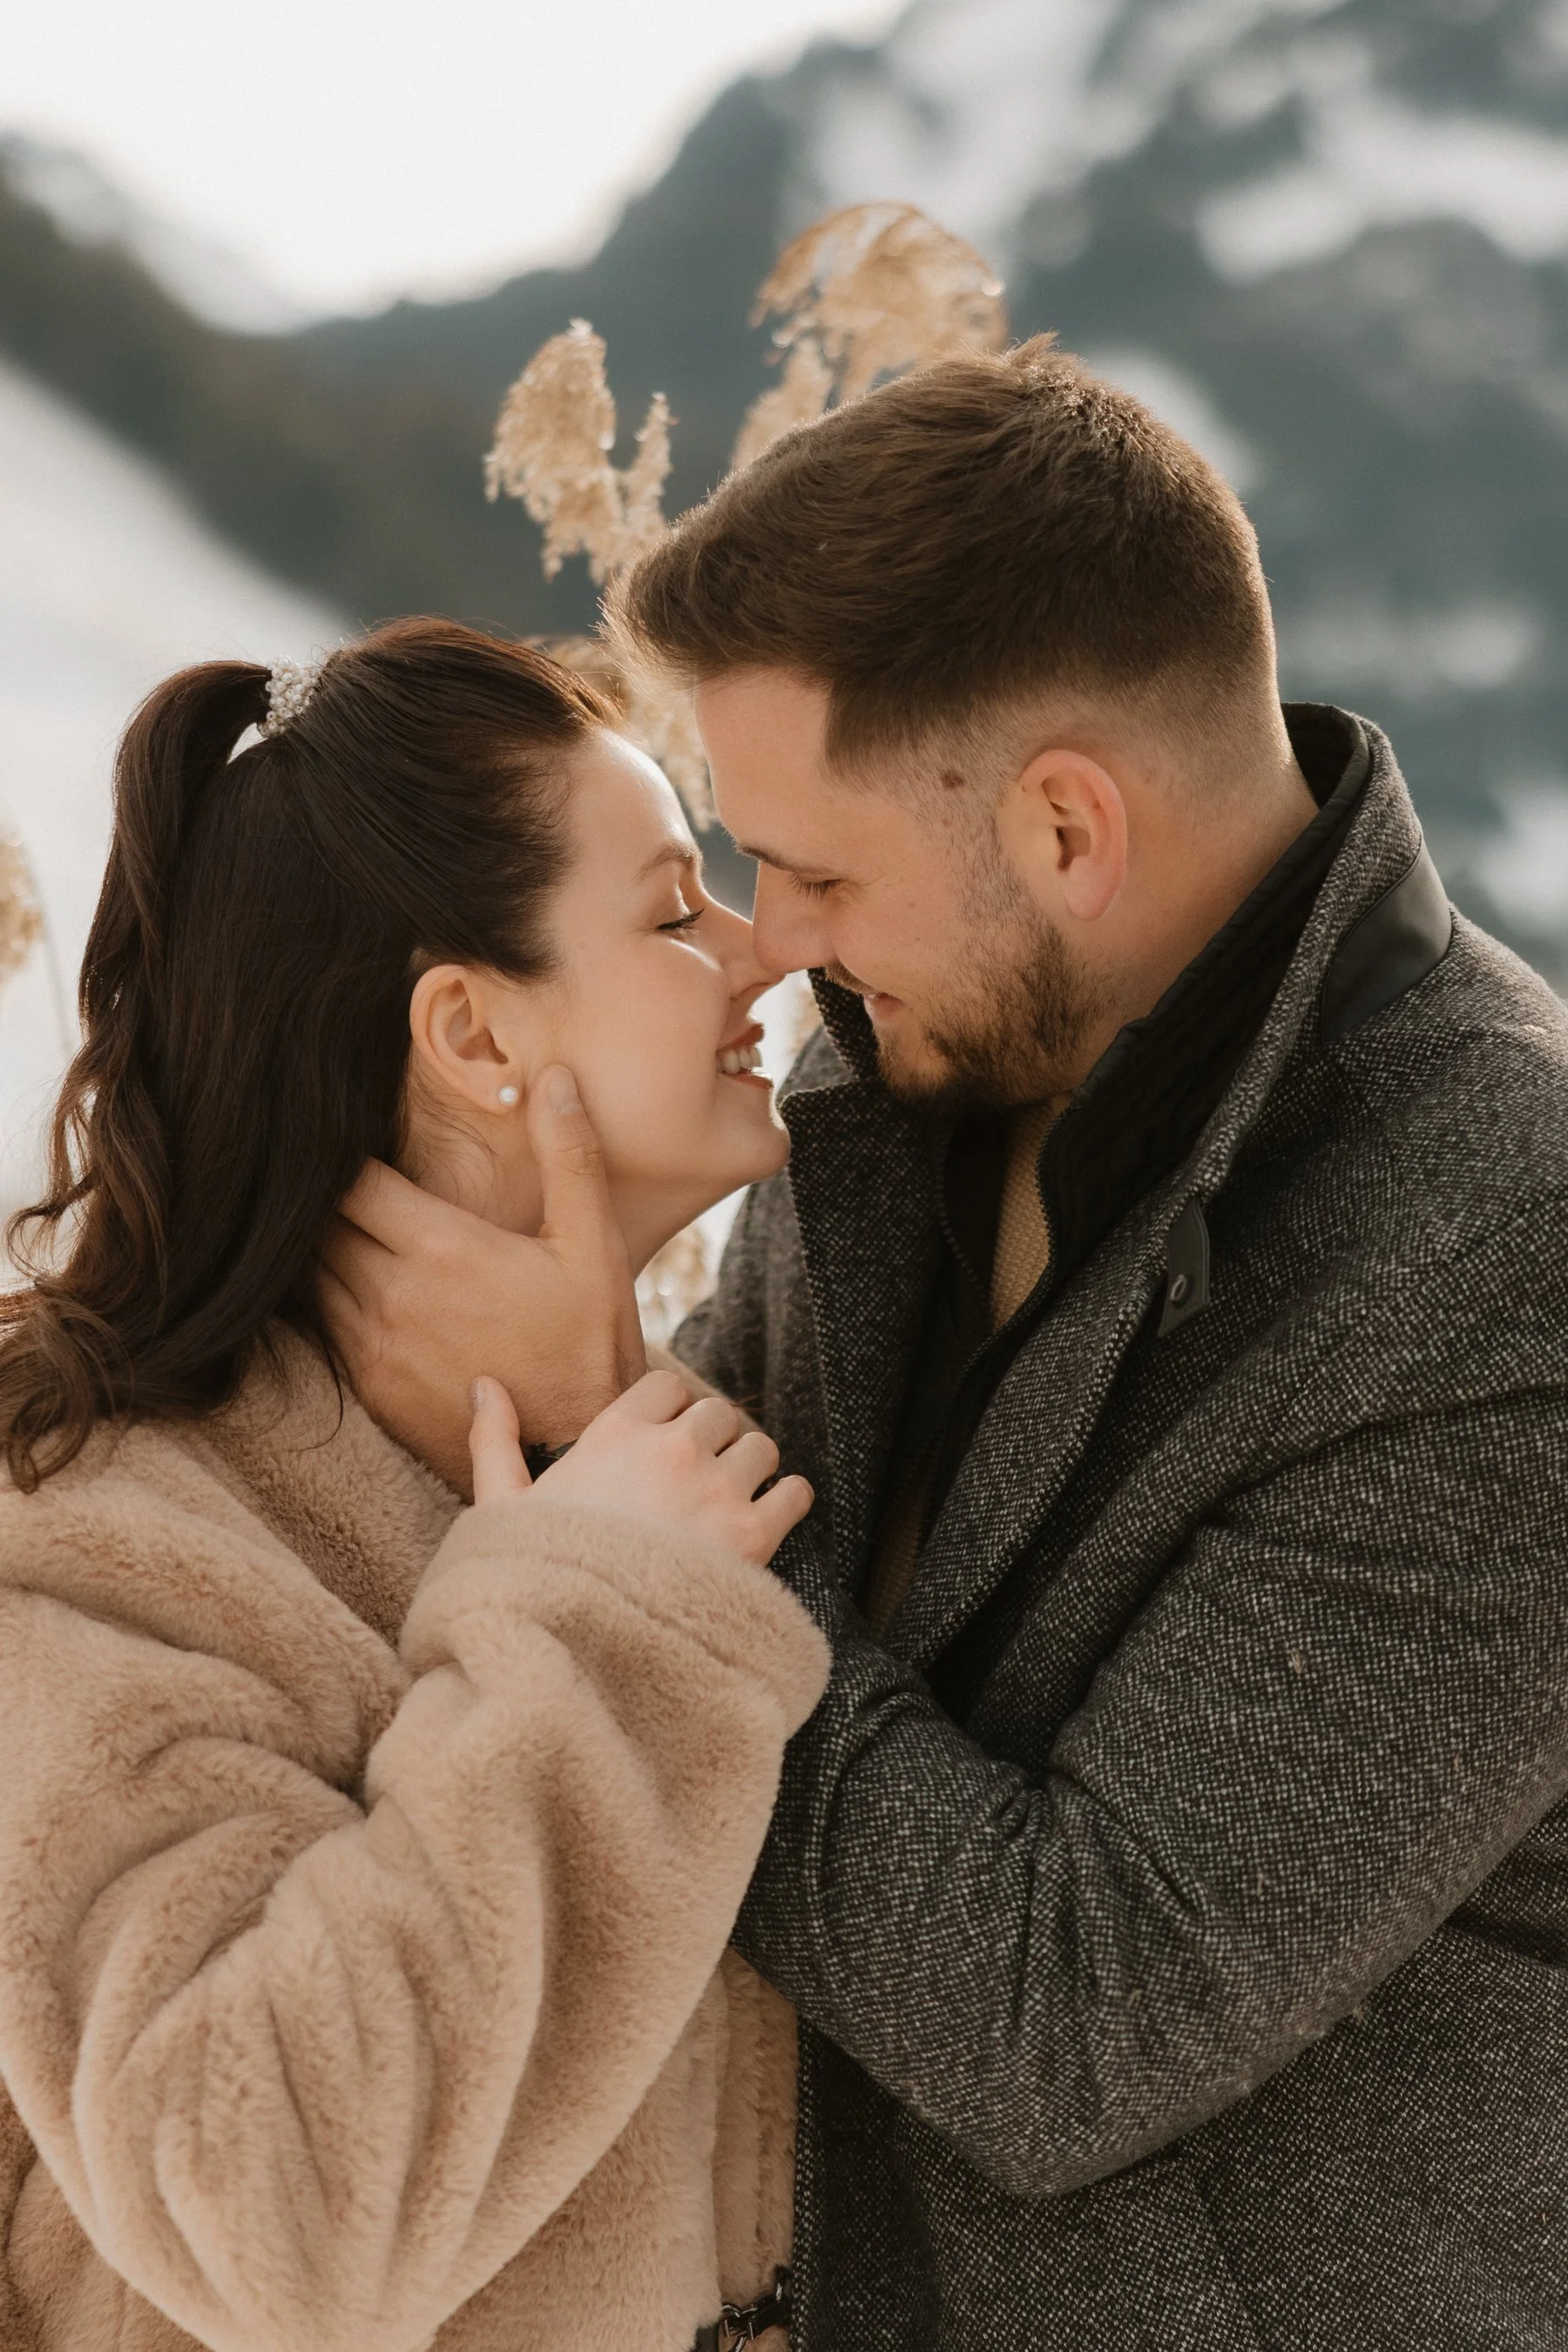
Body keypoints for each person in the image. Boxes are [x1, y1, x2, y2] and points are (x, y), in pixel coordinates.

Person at [328, 344, 1568, 2350]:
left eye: (812, 872)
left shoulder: (1509, 1252)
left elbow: (1062, 2021)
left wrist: (606, 1421)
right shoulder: (904, 1060)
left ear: (1069, 830)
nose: (768, 939)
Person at [0, 618, 828, 2352]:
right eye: (677, 911)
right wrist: (598, 1627)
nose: (762, 955)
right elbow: (264, 2216)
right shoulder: (92, 1532)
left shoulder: (634, 1459)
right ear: (467, 1032)